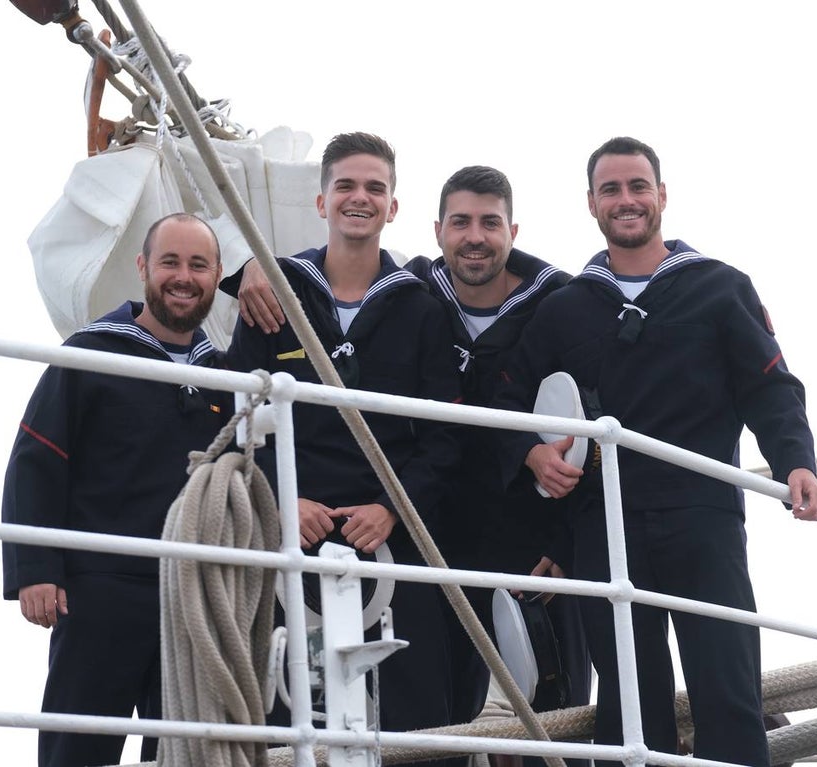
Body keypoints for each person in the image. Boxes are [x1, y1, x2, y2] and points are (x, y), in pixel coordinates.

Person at [236, 165, 592, 766]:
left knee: (553, 706)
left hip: (528, 542)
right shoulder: (421, 295)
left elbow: (584, 423)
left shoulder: (557, 306)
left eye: (489, 223)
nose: (474, 236)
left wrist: (563, 536)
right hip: (434, 537)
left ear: (513, 231)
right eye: (460, 223)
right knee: (440, 705)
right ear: (434, 229)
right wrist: (249, 268)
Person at [492, 137, 817, 767]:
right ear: (591, 203)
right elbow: (505, 400)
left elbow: (770, 386)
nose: (626, 200)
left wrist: (796, 461)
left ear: (662, 196)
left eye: (638, 187)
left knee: (727, 689)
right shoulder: (565, 309)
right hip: (604, 527)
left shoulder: (721, 288)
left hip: (704, 519)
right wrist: (531, 455)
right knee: (627, 709)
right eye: (611, 189)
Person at [222, 132, 462, 759]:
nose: (361, 198)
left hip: (393, 538)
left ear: (393, 206)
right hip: (290, 535)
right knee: (280, 708)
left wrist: (392, 509)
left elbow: (443, 436)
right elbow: (238, 422)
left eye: (375, 188)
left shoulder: (424, 308)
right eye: (347, 186)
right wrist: (282, 502)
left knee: (417, 719)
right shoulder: (273, 293)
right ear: (321, 200)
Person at [2, 213, 229, 767]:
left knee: (182, 750)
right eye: (170, 261)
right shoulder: (90, 353)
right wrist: (35, 569)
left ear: (217, 275)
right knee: (77, 744)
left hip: (192, 590)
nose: (183, 276)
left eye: (198, 264)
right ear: (143, 267)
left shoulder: (228, 373)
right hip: (100, 583)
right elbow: (37, 460)